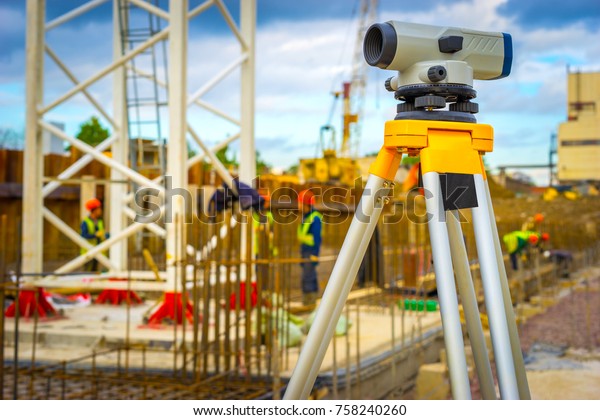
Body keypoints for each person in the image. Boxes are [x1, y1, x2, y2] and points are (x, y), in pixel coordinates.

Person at [297, 189, 323, 306]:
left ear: (305, 204)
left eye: (300, 202)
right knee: (306, 276)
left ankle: (310, 302)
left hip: (311, 251)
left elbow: (317, 238)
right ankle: (307, 301)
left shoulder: (315, 218)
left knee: (309, 276)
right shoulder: (306, 217)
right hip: (305, 250)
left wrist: (315, 254)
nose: (298, 205)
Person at [80, 198, 107, 272]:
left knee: (95, 271)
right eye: (99, 209)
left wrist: (106, 236)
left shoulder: (100, 221)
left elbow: (102, 234)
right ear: (94, 210)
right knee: (87, 272)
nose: (100, 211)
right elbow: (83, 235)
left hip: (98, 251)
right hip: (88, 251)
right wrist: (94, 235)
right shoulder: (86, 222)